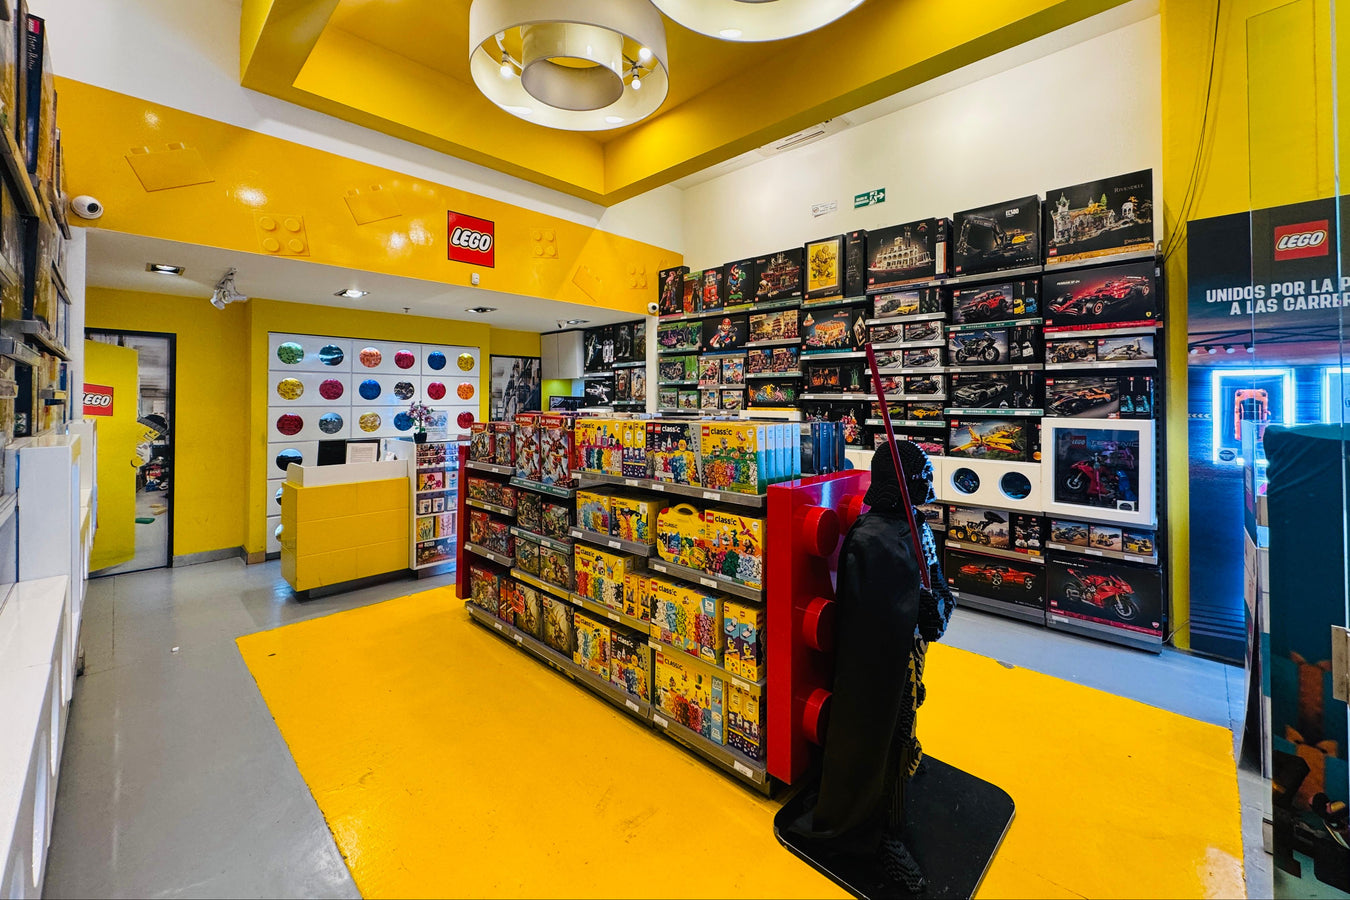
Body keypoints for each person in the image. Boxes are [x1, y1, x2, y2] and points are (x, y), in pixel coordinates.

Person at [786, 440, 956, 891]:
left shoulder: (914, 526)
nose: (927, 485)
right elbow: (873, 620)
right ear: (898, 484)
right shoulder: (872, 539)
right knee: (888, 737)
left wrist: (936, 605)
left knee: (905, 731)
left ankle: (893, 803)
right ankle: (879, 835)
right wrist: (917, 607)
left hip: (910, 655)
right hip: (881, 667)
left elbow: (935, 585)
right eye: (919, 478)